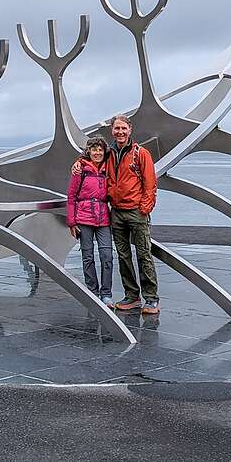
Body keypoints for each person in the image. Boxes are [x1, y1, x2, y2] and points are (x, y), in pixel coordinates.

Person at [74, 115, 158, 313]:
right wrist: (78, 161)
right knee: (123, 256)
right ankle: (132, 296)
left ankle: (151, 298)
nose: (120, 132)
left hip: (136, 212)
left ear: (130, 130)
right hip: (117, 213)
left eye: (123, 128)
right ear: (112, 131)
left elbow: (150, 183)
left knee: (144, 254)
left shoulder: (141, 153)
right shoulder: (110, 153)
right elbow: (92, 158)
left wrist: (145, 208)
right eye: (116, 128)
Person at [65, 136, 113, 304]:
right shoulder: (81, 170)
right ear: (89, 151)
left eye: (100, 149)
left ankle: (106, 293)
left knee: (107, 255)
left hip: (103, 218)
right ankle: (92, 291)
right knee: (87, 256)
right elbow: (71, 197)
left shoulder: (109, 168)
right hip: (84, 218)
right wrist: (71, 222)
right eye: (94, 149)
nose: (97, 152)